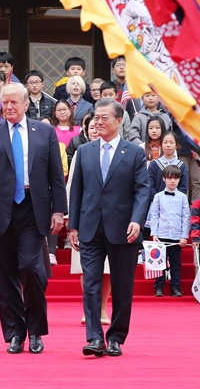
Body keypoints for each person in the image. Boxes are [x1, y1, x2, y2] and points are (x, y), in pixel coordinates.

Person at [0, 83, 67, 354]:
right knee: (3, 278)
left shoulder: (45, 132)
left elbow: (55, 176)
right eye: (5, 102)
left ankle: (36, 330)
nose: (9, 107)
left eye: (14, 102)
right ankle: (15, 332)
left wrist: (59, 210)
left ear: (27, 104)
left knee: (31, 268)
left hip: (32, 209)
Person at [68, 98, 149, 357]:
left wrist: (137, 219)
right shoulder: (85, 151)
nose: (98, 122)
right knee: (90, 284)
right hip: (90, 228)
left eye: (104, 117)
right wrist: (73, 226)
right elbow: (77, 191)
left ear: (118, 120)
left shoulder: (134, 152)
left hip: (124, 229)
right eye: (96, 118)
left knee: (123, 286)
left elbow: (142, 190)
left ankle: (116, 337)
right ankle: (94, 338)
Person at [66, 114, 111, 325]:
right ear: (86, 131)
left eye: (99, 125)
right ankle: (89, 310)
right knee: (86, 269)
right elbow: (72, 190)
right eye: (91, 127)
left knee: (107, 269)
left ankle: (102, 309)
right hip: (85, 220)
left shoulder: (118, 152)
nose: (95, 130)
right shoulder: (81, 154)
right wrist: (70, 219)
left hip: (111, 221)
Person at [149, 165, 190, 297]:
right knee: (159, 262)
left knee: (175, 263)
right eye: (170, 178)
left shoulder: (183, 197)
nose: (173, 181)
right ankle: (159, 287)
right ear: (164, 179)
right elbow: (154, 215)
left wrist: (184, 236)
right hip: (161, 235)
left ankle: (175, 287)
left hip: (176, 236)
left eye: (176, 178)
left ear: (179, 180)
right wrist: (154, 233)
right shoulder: (158, 197)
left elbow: (186, 217)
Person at [148, 131, 189, 204]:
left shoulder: (181, 165)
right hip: (157, 204)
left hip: (176, 204)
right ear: (161, 144)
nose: (168, 145)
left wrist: (175, 199)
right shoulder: (154, 164)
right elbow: (150, 185)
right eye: (165, 142)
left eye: (171, 142)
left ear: (176, 145)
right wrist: (158, 199)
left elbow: (184, 187)